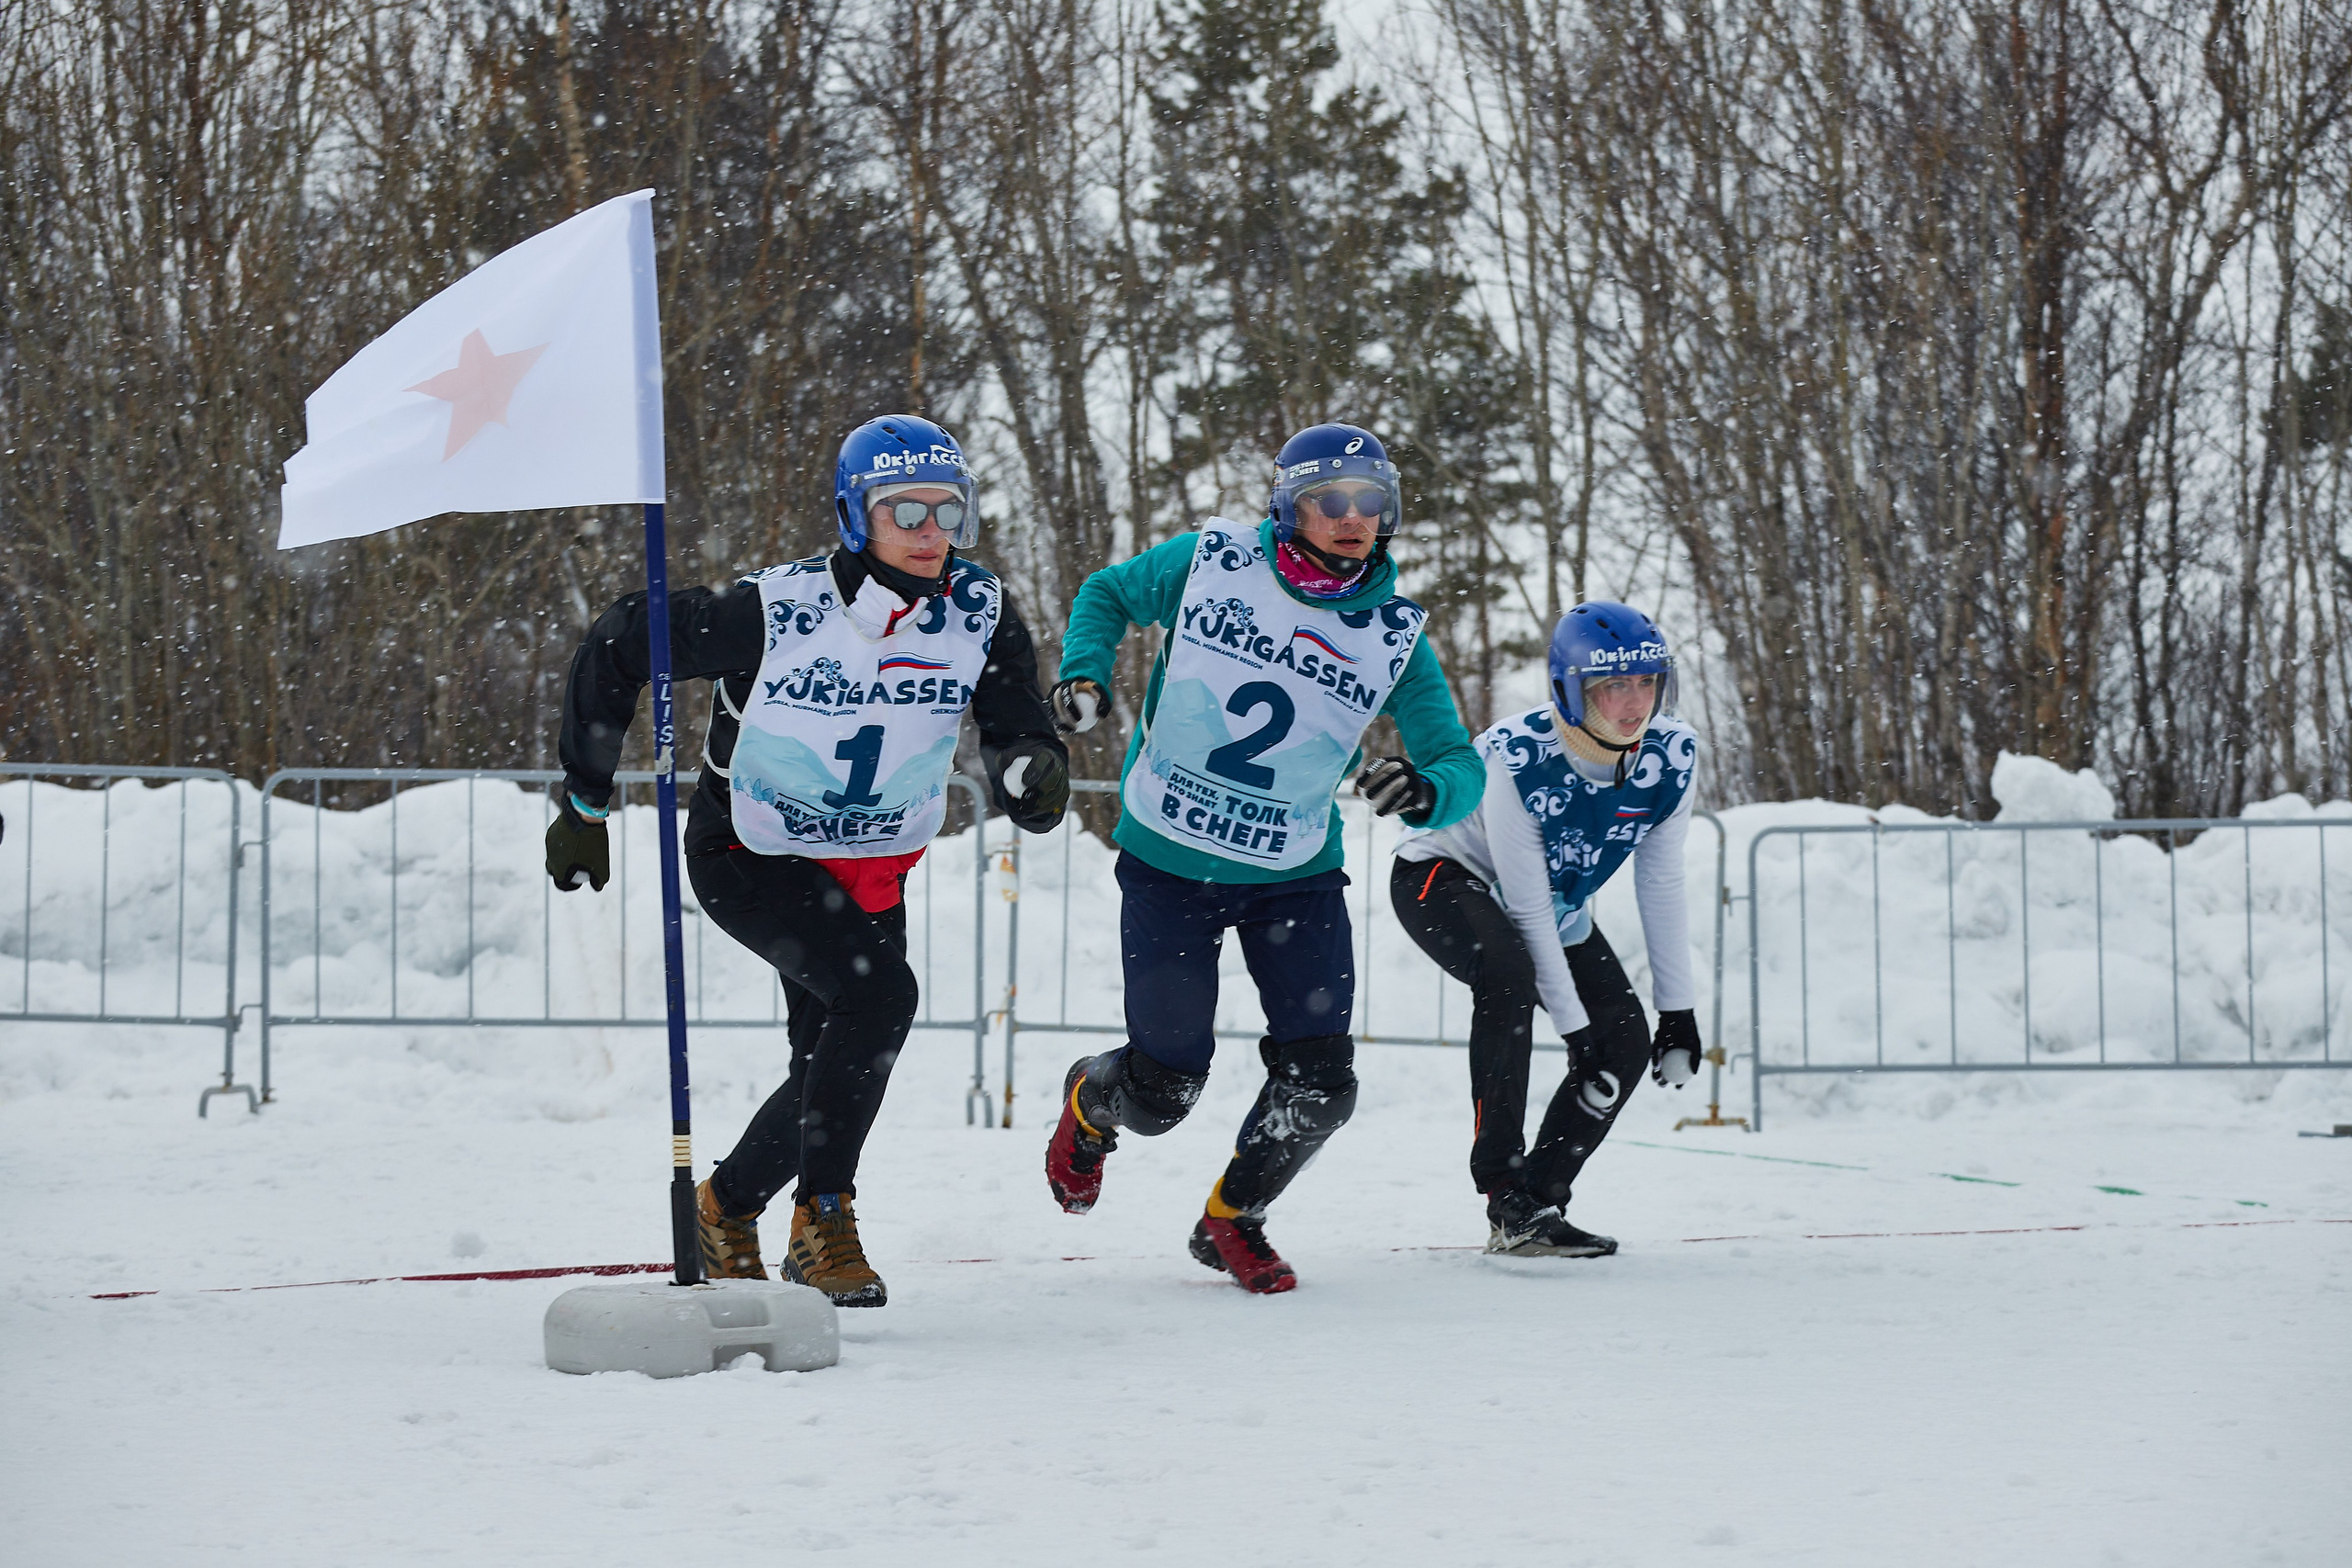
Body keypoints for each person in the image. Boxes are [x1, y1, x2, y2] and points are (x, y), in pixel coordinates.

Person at [545, 415, 1068, 1306]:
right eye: (904, 510)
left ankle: (729, 1208)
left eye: (950, 511)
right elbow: (624, 640)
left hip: (873, 863)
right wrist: (586, 797)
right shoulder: (778, 610)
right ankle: (823, 1218)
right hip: (752, 849)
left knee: (832, 1054)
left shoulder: (979, 611)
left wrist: (1029, 767)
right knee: (879, 1000)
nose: (930, 531)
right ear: (853, 516)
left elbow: (1015, 720)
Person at [1043, 423, 1482, 1292]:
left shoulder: (1393, 629)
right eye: (1331, 500)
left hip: (1294, 874)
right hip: (1170, 858)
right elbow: (1105, 593)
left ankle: (1232, 1216)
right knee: (1163, 1093)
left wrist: (1427, 791)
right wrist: (1085, 672)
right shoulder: (1213, 560)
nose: (1353, 519)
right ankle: (1092, 1099)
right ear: (1288, 506)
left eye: (1372, 502)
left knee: (1323, 1085)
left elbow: (1458, 763)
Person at [1388, 601, 1704, 1257]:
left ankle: (1534, 1204)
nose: (1634, 701)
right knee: (1507, 975)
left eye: (1647, 682)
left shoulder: (1672, 755)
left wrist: (1678, 1010)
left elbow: (1661, 880)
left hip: (1549, 904)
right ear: (1572, 688)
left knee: (1623, 1041)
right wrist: (1571, 1027)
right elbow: (1525, 909)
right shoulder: (1516, 754)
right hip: (1443, 875)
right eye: (1613, 684)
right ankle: (1501, 1185)